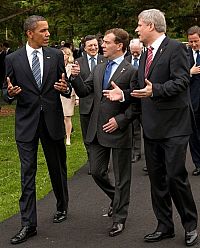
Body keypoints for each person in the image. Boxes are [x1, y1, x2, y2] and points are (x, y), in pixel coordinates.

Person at [103, 9, 198, 246]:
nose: (136, 29)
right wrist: (123, 94)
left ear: (151, 26)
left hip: (175, 126)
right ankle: (164, 226)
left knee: (176, 176)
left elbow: (181, 81)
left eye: (139, 25)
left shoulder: (177, 49)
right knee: (157, 180)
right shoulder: (145, 54)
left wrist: (155, 90)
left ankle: (190, 225)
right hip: (152, 127)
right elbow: (138, 87)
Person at [2, 15, 71, 245]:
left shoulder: (55, 55)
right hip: (26, 123)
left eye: (48, 30)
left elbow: (65, 85)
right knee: (27, 174)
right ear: (29, 33)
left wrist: (65, 88)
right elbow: (6, 89)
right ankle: (28, 224)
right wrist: (9, 94)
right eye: (43, 31)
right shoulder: (12, 59)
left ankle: (62, 206)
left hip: (51, 121)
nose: (48, 34)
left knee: (57, 168)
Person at [70, 28, 137, 237]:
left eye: (107, 42)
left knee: (122, 177)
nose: (102, 45)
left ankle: (119, 218)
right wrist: (74, 78)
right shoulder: (99, 68)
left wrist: (120, 121)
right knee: (97, 172)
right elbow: (84, 91)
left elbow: (136, 103)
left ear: (119, 45)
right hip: (97, 131)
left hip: (119, 131)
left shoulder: (132, 71)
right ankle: (116, 199)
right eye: (103, 42)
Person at [76, 35, 105, 173]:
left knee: (102, 134)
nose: (93, 48)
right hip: (86, 105)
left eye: (95, 45)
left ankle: (102, 163)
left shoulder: (105, 60)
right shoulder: (78, 63)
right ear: (84, 48)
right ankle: (92, 163)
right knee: (87, 136)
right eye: (90, 46)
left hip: (103, 104)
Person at [126, 39, 143, 164]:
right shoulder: (126, 61)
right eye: (133, 52)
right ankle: (136, 152)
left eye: (137, 52)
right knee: (134, 128)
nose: (135, 54)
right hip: (132, 99)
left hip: (145, 99)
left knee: (148, 129)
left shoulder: (147, 60)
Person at [187, 26, 200, 176]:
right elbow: (178, 74)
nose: (194, 44)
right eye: (191, 42)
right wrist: (189, 72)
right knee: (194, 135)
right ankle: (198, 163)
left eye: (196, 41)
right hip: (191, 102)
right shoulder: (185, 54)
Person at [60, 47, 77, 145]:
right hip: (58, 94)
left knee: (67, 117)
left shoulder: (72, 67)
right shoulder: (57, 66)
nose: (63, 56)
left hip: (69, 95)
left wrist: (77, 98)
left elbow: (75, 83)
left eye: (64, 54)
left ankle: (68, 138)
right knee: (60, 116)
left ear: (68, 55)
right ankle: (62, 134)